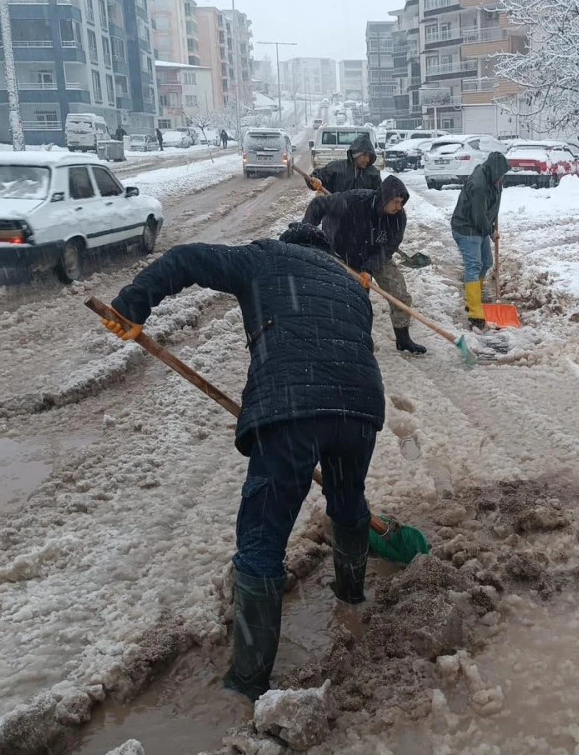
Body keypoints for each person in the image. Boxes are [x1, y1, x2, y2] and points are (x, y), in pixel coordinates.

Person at [100, 222, 385, 699]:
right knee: (348, 500)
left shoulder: (266, 256)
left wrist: (131, 305)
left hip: (291, 407)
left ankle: (249, 681)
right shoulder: (350, 283)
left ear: (290, 244)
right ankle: (351, 594)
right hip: (360, 409)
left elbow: (186, 259)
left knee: (262, 540)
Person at [303, 175, 426, 355]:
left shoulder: (399, 217)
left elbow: (389, 247)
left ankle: (403, 339)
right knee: (356, 299)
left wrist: (368, 268)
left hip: (376, 254)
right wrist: (306, 233)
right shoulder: (354, 201)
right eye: (395, 202)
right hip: (344, 252)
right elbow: (318, 205)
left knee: (398, 292)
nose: (399, 207)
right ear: (384, 198)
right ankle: (360, 339)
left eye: (401, 202)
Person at [451, 151, 510, 330]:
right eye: (500, 175)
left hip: (479, 227)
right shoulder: (479, 185)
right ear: (493, 171)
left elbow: (492, 202)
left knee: (486, 262)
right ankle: (474, 312)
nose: (501, 178)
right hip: (466, 227)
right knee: (474, 265)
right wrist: (491, 232)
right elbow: (478, 216)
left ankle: (472, 298)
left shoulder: (494, 178)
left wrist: (492, 218)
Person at [306, 133, 381, 194]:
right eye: (364, 155)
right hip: (336, 208)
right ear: (356, 155)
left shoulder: (373, 174)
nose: (367, 159)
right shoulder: (336, 168)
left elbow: (380, 197)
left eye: (369, 156)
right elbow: (314, 178)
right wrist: (315, 181)